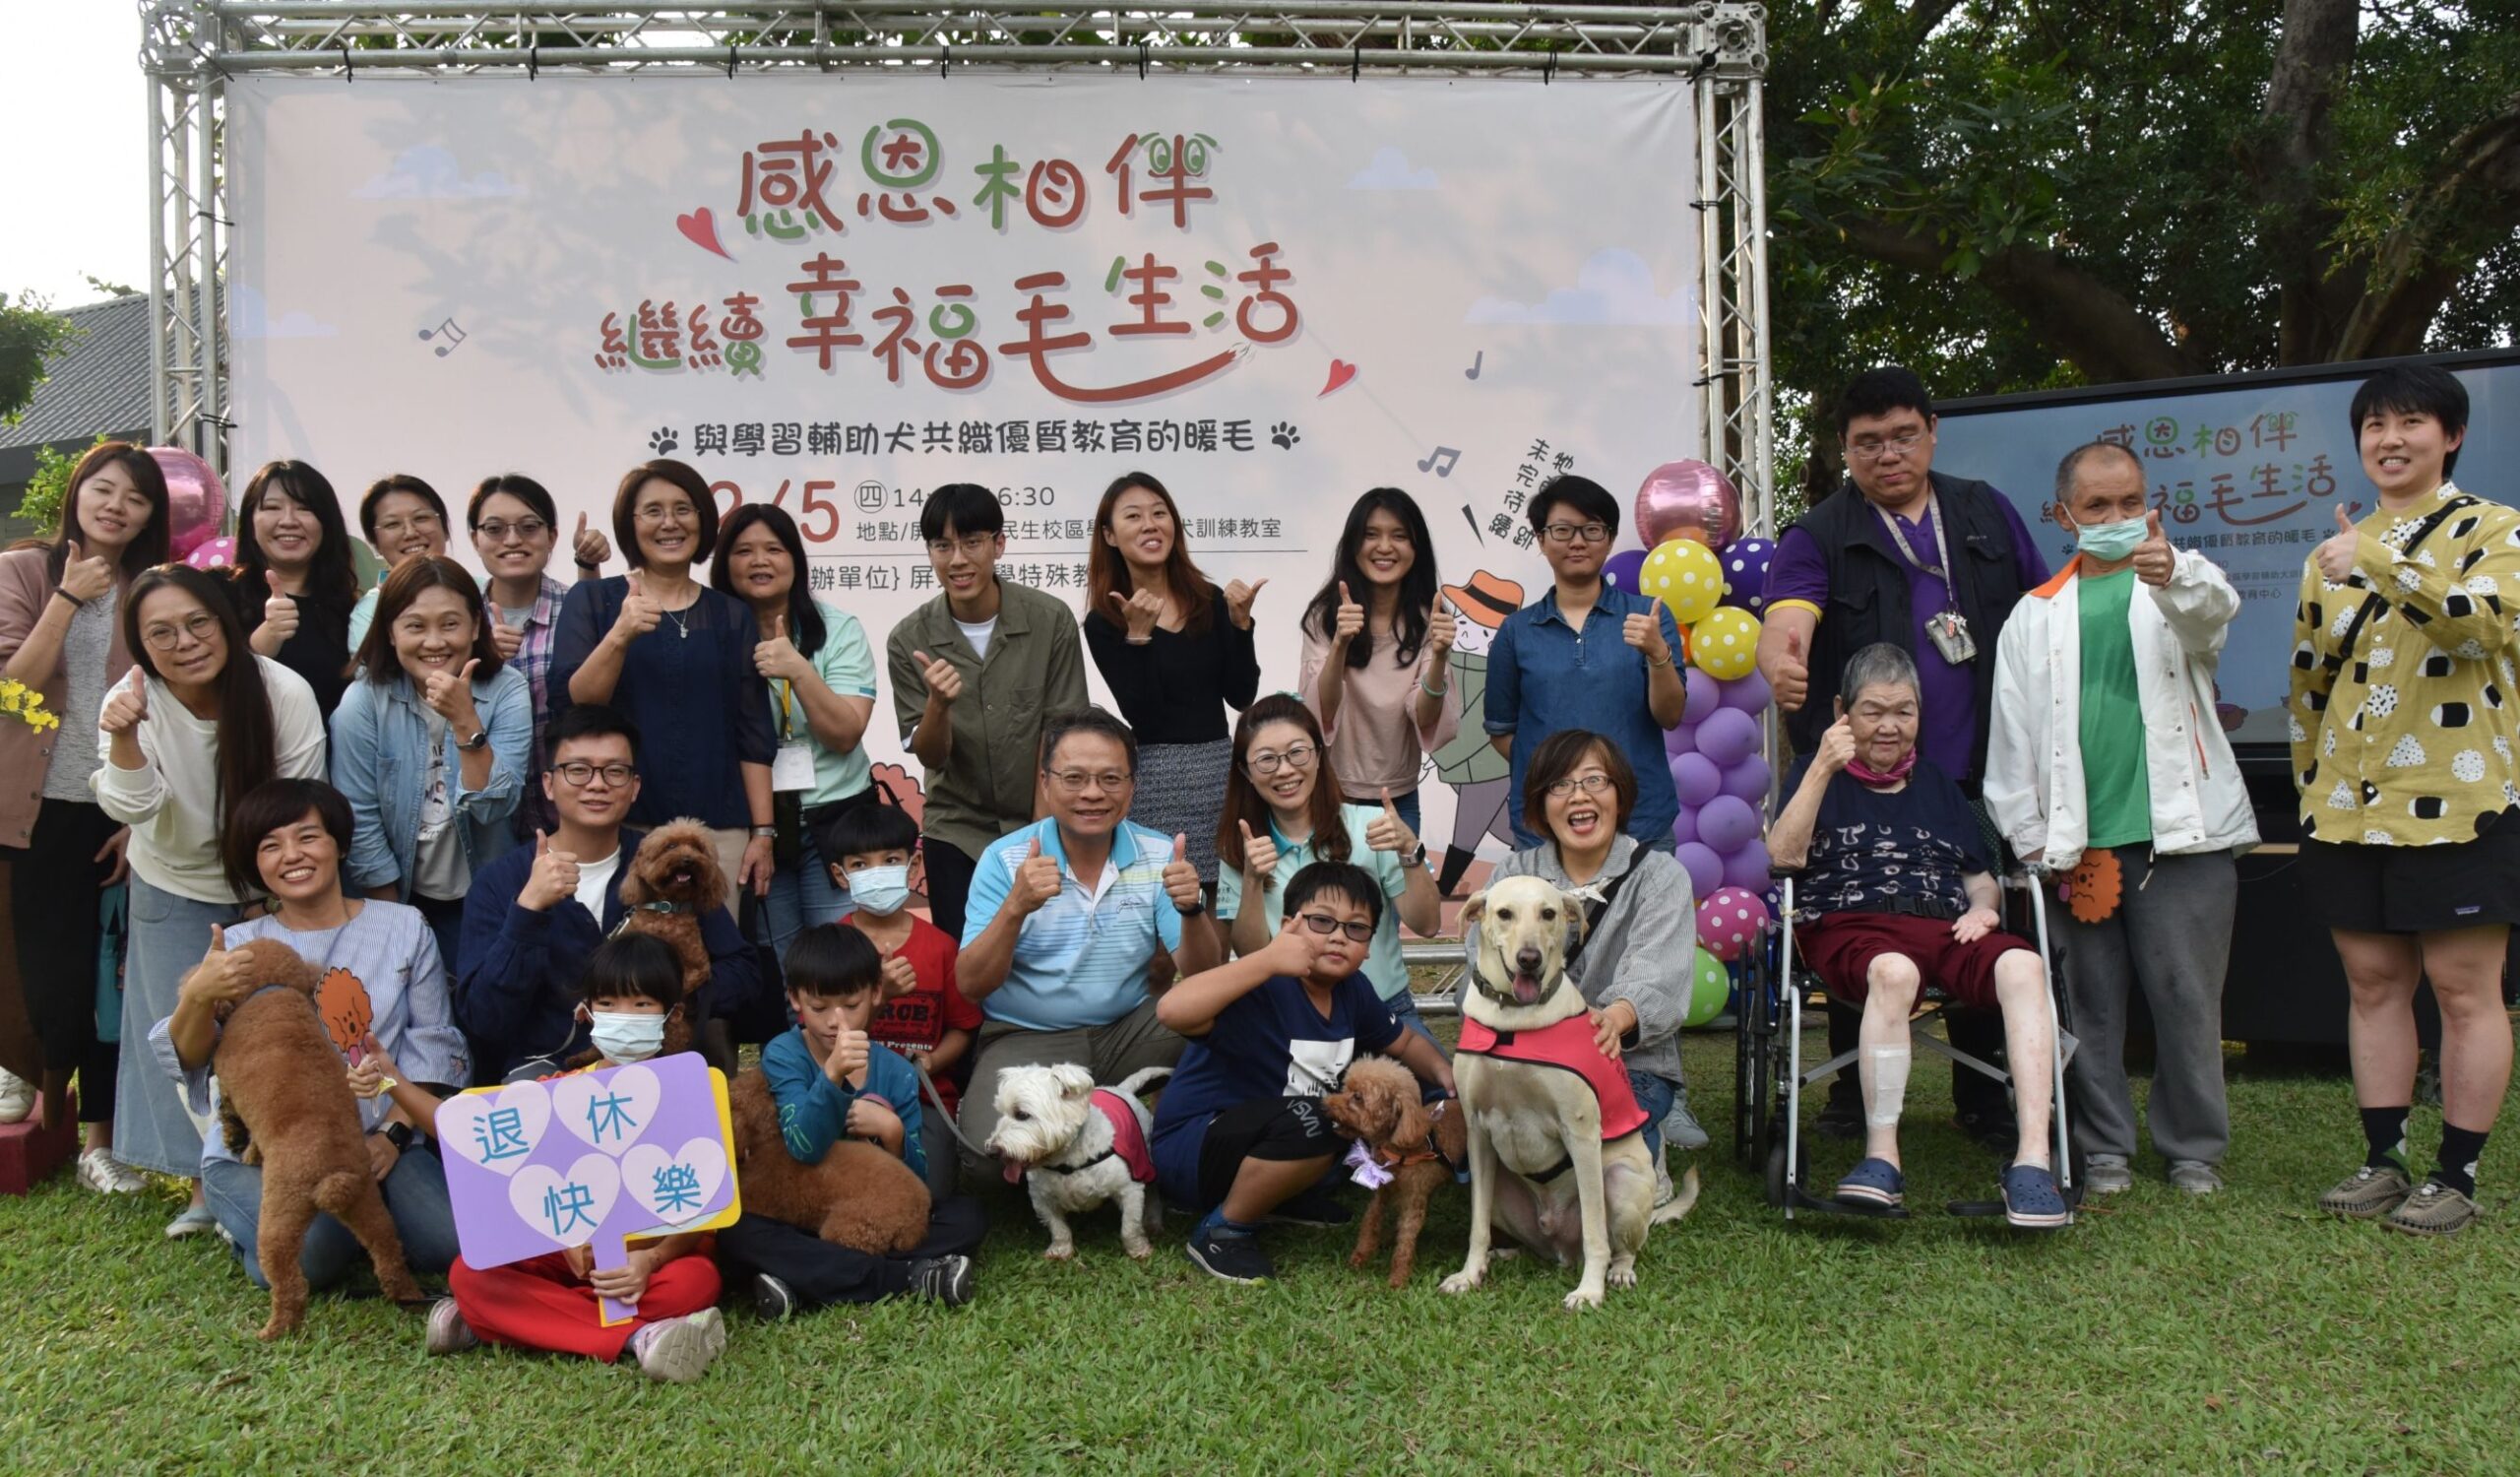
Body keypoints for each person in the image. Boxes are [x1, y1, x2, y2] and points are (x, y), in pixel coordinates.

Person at [1754, 367, 2048, 1147]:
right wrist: (1783, 658)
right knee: (1860, 904)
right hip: (1863, 773)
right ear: (1845, 449)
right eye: (1867, 443)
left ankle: (1983, 1097)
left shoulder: (1985, 510)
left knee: (1978, 918)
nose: (1888, 454)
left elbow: (2043, 608)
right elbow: (1787, 616)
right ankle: (1852, 1094)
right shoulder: (1818, 532)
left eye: (1903, 436)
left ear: (1932, 430)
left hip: (1983, 766)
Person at [1987, 441, 2257, 1196]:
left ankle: (2193, 1149)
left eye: (2130, 503)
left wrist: (2176, 573)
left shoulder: (2178, 583)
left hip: (2185, 836)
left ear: (2151, 504)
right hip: (2079, 846)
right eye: (2098, 506)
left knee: (2189, 1002)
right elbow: (2010, 746)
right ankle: (2103, 1145)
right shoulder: (2033, 615)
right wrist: (2037, 845)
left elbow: (2214, 619)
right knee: (2090, 1008)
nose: (2116, 518)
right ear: (2064, 513)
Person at [2289, 364, 2519, 1236]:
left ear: (2450, 435)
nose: (2390, 440)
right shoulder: (2329, 557)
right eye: (2375, 426)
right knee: (2373, 981)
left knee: (2467, 990)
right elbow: (2309, 679)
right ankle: (2383, 1159)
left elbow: (2483, 624)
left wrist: (2380, 559)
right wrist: (2314, 784)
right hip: (2349, 805)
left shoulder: (2494, 529)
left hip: (2460, 798)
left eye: (2411, 422)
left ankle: (2455, 1173)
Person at [1767, 644, 2068, 1229]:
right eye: (1873, 710)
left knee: (2024, 965)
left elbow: (1979, 876)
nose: (1889, 726)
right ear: (1841, 712)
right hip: (1849, 925)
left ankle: (2033, 1160)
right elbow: (1781, 857)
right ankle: (1882, 1157)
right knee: (1895, 971)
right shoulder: (1812, 770)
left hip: (1943, 923)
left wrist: (1985, 907)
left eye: (1903, 711)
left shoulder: (1936, 783)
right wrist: (1825, 767)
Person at [149, 778, 465, 1291]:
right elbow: (187, 1054)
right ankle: (251, 1224)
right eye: (270, 845)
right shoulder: (239, 942)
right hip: (267, 1154)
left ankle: (366, 1215)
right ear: (256, 863)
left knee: (449, 1242)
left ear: (339, 845)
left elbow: (434, 1046)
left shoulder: (405, 926)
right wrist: (199, 995)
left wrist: (393, 1135)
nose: (291, 855)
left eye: (307, 837)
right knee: (315, 1256)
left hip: (381, 1138)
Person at [94, 564, 327, 1235]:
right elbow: (131, 806)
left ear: (226, 620)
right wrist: (121, 736)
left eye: (198, 622)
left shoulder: (282, 691)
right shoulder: (129, 700)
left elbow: (300, 800)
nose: (185, 641)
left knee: (263, 1034)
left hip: (265, 884)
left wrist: (267, 896)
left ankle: (266, 1168)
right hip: (171, 881)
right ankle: (204, 1190)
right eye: (160, 632)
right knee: (178, 1034)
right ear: (139, 644)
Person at [424, 932, 728, 1381]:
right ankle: (638, 1338)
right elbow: (522, 1188)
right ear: (587, 1011)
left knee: (698, 1281)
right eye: (608, 1003)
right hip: (565, 1258)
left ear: (672, 1014)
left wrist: (650, 1261)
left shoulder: (691, 1090)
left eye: (641, 1005)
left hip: (651, 1261)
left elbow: (707, 1210)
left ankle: (493, 1323)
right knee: (469, 1274)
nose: (624, 1018)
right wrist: (557, 1234)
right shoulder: (558, 1089)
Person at [1153, 862, 1455, 1282]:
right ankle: (1223, 1230)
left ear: (1369, 947)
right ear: (1287, 925)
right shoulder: (1262, 982)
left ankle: (1280, 1200)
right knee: (1324, 1115)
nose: (1337, 936)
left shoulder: (1354, 991)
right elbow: (1170, 1010)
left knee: (1336, 1113)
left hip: (1273, 1138)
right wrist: (1266, 960)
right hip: (1194, 1150)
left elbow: (1403, 1042)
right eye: (1321, 921)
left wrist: (1446, 1074)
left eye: (1356, 928)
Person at [0, 441, 167, 1191]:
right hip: (29, 808)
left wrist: (135, 819)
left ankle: (100, 1143)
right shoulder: (24, 570)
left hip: (111, 808)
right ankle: (28, 1091)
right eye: (104, 490)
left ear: (149, 517)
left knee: (110, 975)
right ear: (77, 493)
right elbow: (11, 688)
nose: (116, 507)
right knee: (38, 968)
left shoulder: (151, 589)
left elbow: (166, 707)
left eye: (134, 498)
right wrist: (67, 597)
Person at [955, 707, 1220, 1179]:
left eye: (1111, 778)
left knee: (1225, 1012)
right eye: (1074, 777)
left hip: (1130, 1031)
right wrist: (1016, 906)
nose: (1093, 793)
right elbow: (971, 984)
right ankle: (1110, 1114)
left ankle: (1184, 1133)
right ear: (1045, 782)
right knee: (984, 1160)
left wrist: (1192, 909)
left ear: (1133, 786)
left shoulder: (1158, 853)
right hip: (1027, 1037)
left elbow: (1202, 975)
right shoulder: (1004, 859)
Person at [455, 704, 760, 1081]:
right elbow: (483, 1018)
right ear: (549, 784)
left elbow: (743, 972)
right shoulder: (501, 882)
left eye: (615, 771)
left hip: (660, 1063)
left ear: (635, 788)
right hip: (548, 1071)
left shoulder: (667, 863)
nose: (597, 784)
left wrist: (665, 997)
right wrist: (527, 911)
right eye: (578, 770)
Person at [718, 924, 984, 1317]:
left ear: (877, 994)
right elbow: (802, 1147)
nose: (835, 1022)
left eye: (851, 1004)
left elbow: (915, 1187)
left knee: (967, 1217)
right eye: (819, 1007)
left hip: (866, 1217)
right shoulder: (783, 1053)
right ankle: (909, 1277)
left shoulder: (896, 1071)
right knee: (735, 1233)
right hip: (800, 1212)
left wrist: (893, 1134)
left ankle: (800, 1280)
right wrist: (832, 1077)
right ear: (795, 1000)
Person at [1489, 729, 1708, 1195]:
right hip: (1527, 1056)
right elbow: (1482, 960)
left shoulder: (1660, 876)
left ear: (1620, 794)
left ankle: (1648, 1154)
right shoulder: (1512, 874)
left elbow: (1658, 974)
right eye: (1560, 786)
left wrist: (1614, 1019)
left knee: (1609, 1191)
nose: (1578, 797)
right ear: (1540, 805)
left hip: (1627, 1062)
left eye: (1595, 781)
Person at [552, 458, 777, 898]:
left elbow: (752, 732)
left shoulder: (731, 613)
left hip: (720, 829)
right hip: (619, 824)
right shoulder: (594, 600)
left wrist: (763, 832)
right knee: (626, 961)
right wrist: (621, 634)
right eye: (653, 511)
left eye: (683, 509)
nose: (669, 523)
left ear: (702, 520)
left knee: (717, 959)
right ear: (630, 524)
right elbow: (576, 706)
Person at [887, 482, 1090, 938]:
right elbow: (931, 755)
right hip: (957, 830)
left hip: (1040, 821)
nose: (957, 559)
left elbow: (1061, 737)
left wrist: (1041, 838)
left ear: (999, 544)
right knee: (967, 964)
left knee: (1049, 955)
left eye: (972, 542)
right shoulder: (907, 639)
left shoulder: (1049, 619)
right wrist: (938, 705)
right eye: (943, 545)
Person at [329, 555, 532, 969]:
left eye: (450, 624)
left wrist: (465, 722)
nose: (434, 642)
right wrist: (395, 921)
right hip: (394, 893)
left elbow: (495, 805)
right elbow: (359, 819)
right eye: (415, 626)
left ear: (476, 627)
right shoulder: (363, 702)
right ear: (390, 632)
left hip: (483, 890)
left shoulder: (508, 690)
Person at [1214, 693, 1442, 1043]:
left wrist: (1409, 849)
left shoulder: (1373, 827)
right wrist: (1252, 881)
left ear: (1319, 756)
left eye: (1297, 752)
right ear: (1246, 771)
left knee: (1442, 1094)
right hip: (1290, 1019)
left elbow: (1427, 925)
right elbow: (1253, 956)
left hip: (1383, 1009)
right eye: (1267, 760)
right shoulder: (1243, 847)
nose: (1286, 769)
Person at [709, 502, 878, 957]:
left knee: (842, 960)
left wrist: (798, 670)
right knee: (780, 968)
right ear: (724, 564)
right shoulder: (709, 635)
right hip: (752, 825)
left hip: (836, 820)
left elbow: (845, 734)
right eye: (743, 551)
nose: (760, 560)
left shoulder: (838, 629)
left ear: (796, 562)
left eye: (774, 549)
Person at [1483, 475, 1686, 852]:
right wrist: (1558, 775)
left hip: (1640, 824)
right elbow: (1502, 731)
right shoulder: (1516, 631)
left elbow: (1671, 716)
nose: (1577, 541)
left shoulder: (1649, 618)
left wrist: (1658, 655)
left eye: (1591, 530)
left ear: (1609, 539)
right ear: (1541, 540)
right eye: (1562, 530)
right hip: (1545, 831)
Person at [1082, 472, 1263, 889]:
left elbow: (1241, 695)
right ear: (1110, 535)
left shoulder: (1210, 600)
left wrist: (1240, 625)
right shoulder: (1105, 621)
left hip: (1220, 773)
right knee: (1165, 915)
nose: (1150, 524)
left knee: (1224, 912)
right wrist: (1139, 637)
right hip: (1154, 781)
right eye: (1133, 516)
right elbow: (1146, 718)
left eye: (1159, 513)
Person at [821, 801, 979, 1198]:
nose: (876, 873)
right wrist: (879, 999)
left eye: (890, 859)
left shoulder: (942, 948)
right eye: (860, 865)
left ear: (913, 866)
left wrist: (930, 1062)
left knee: (931, 1194)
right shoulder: (831, 948)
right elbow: (819, 1038)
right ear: (841, 875)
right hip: (847, 1098)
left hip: (925, 1099)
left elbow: (963, 1028)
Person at [1296, 488, 1461, 837]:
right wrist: (1341, 642)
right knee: (1332, 893)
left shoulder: (1428, 619)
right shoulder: (1326, 616)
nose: (1384, 547)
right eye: (1371, 535)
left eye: (1399, 536)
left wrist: (1440, 657)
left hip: (1398, 797)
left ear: (1416, 550)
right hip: (1330, 792)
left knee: (1401, 891)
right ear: (1353, 545)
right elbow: (1319, 713)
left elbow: (1427, 717)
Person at [465, 473, 610, 838]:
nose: (513, 540)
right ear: (474, 539)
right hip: (483, 826)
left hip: (574, 820)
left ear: (552, 536)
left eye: (529, 527)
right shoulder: (458, 618)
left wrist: (590, 571)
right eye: (495, 529)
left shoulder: (579, 610)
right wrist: (478, 653)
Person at [224, 460, 360, 719]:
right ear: (250, 521)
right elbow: (211, 688)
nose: (288, 521)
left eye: (305, 508)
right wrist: (268, 636)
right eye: (272, 508)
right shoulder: (217, 594)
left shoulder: (348, 610)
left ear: (326, 524)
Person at [346, 474, 453, 652]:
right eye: (392, 524)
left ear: (445, 528)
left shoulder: (483, 591)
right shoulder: (369, 614)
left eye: (421, 518)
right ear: (375, 543)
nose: (411, 532)